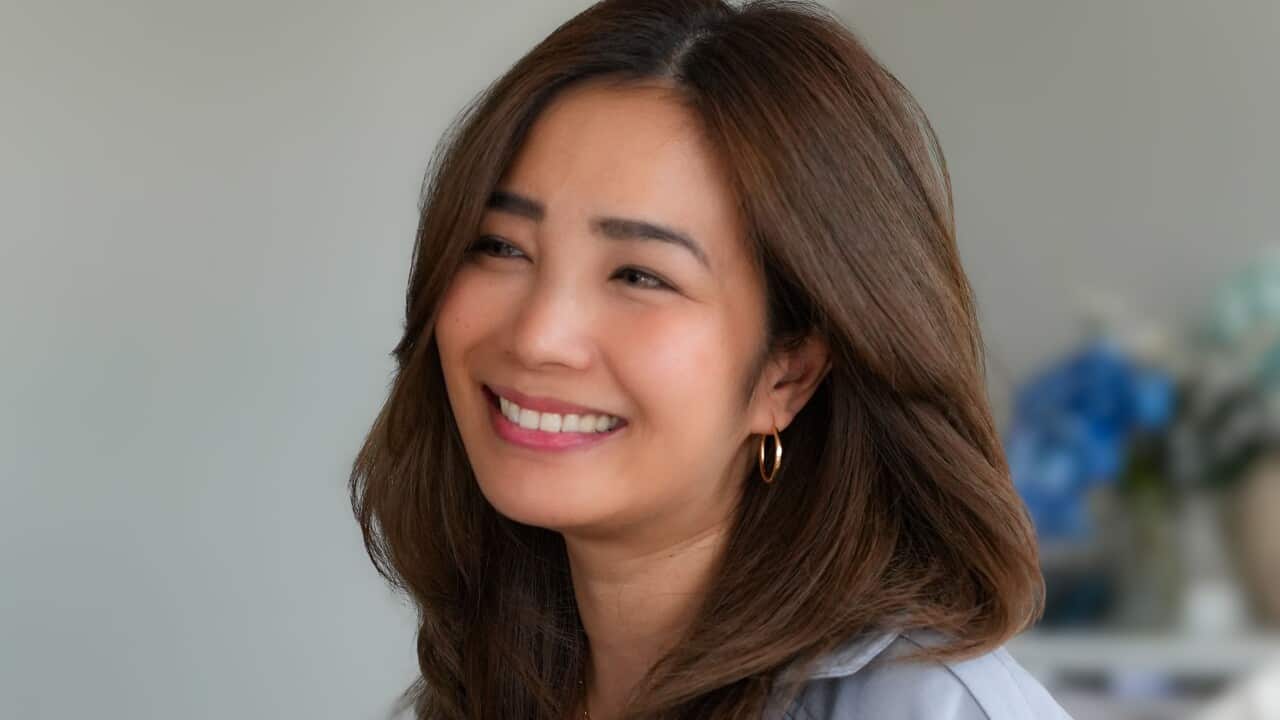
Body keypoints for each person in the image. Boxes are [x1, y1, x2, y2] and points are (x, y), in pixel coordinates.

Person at [349, 1, 1072, 718]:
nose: (538, 337)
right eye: (502, 246)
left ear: (788, 372)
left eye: (639, 275)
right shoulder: (493, 677)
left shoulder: (925, 710)